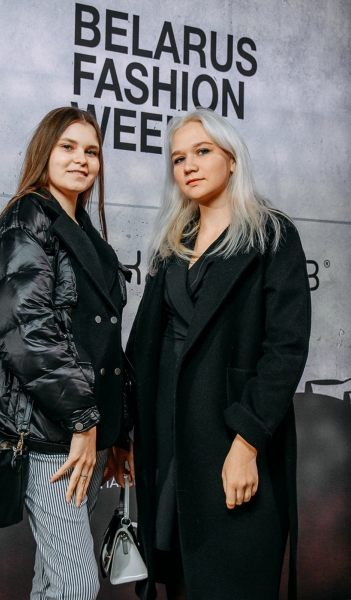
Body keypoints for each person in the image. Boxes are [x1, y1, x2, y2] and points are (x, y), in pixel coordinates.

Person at [125, 108, 311, 600]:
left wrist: (248, 442)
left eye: (202, 151)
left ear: (232, 159)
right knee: (179, 575)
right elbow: (141, 346)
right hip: (168, 432)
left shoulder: (272, 234)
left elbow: (286, 348)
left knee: (231, 577)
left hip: (231, 432)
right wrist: (125, 431)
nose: (188, 165)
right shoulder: (172, 242)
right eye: (178, 158)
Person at [0, 106, 134, 600]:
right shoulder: (26, 218)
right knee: (75, 584)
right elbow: (27, 335)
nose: (81, 159)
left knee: (53, 581)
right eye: (68, 147)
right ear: (45, 152)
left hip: (88, 433)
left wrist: (117, 431)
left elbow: (104, 343)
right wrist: (84, 422)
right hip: (52, 434)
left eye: (92, 151)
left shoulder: (84, 230)